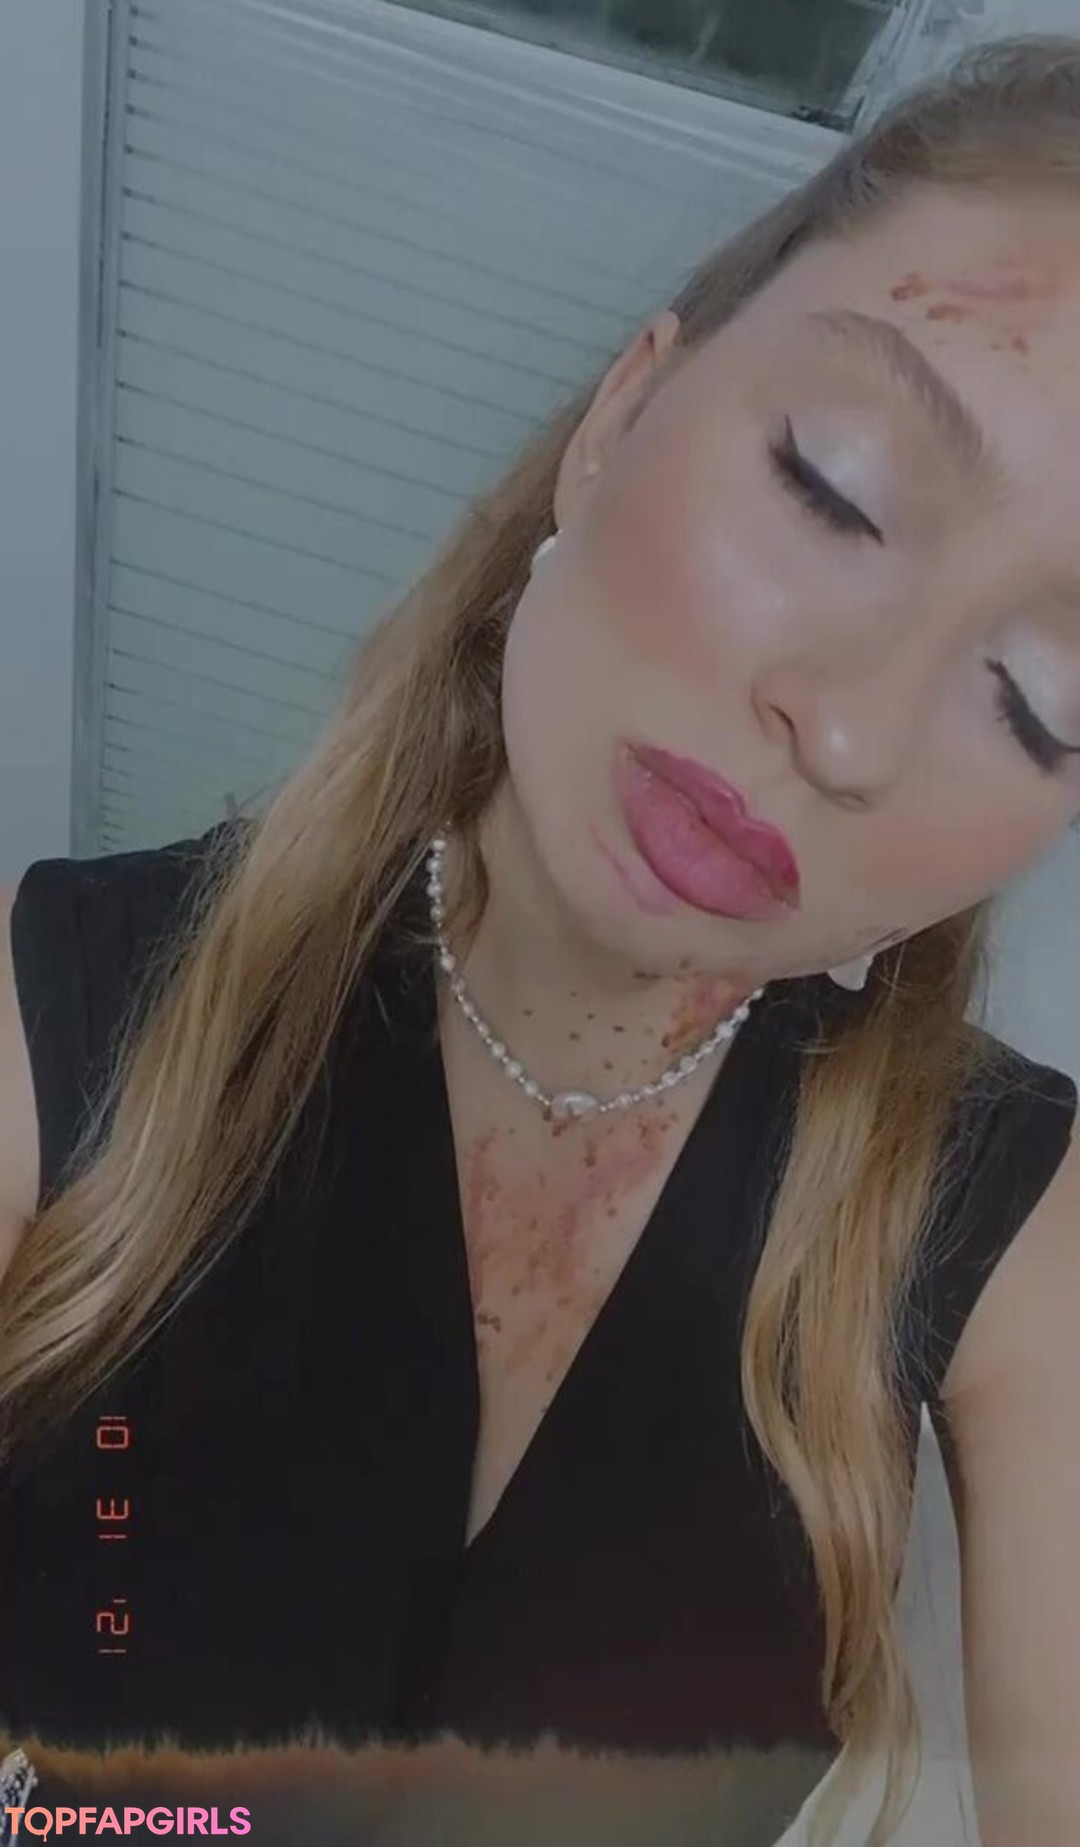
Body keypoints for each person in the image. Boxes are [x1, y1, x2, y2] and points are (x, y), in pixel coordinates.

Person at [2, 32, 1080, 1847]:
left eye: (1045, 703)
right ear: (619, 417)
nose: (849, 727)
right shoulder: (69, 1017)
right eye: (834, 485)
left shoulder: (1019, 1234)